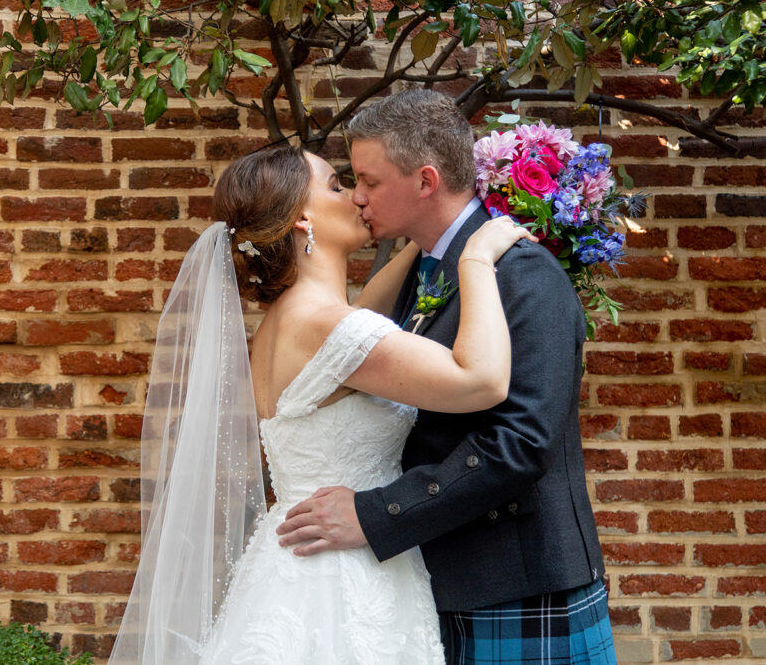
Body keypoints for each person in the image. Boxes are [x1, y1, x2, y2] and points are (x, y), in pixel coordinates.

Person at [107, 142, 534, 664]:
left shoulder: (294, 319)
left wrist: (432, 230)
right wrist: (475, 257)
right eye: (336, 184)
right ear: (302, 219)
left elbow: (366, 304)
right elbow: (481, 381)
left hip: (297, 563)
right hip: (340, 579)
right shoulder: (327, 328)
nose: (356, 196)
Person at [276, 89, 616, 663]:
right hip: (440, 575)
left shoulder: (522, 272)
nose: (358, 197)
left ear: (426, 181)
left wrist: (377, 512)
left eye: (369, 181)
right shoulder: (425, 269)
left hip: (514, 582)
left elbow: (521, 445)